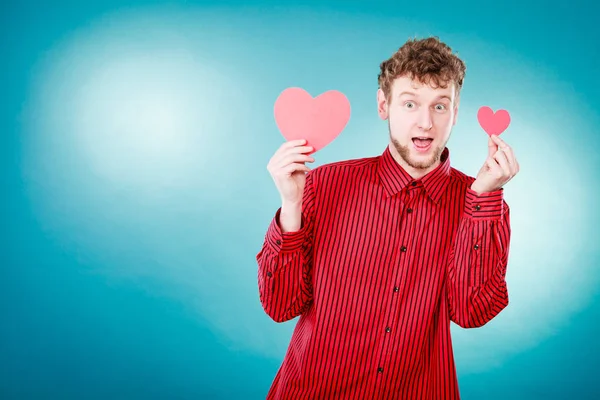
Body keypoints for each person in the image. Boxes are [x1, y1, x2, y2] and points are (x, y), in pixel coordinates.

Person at [256, 36, 519, 400]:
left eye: (440, 107)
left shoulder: (479, 203)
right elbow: (280, 305)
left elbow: (471, 312)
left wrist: (483, 198)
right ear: (384, 105)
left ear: (455, 113)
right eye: (410, 103)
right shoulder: (323, 185)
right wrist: (290, 204)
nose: (425, 123)